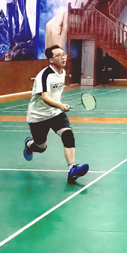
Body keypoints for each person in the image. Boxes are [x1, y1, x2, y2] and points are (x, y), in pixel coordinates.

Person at [23, 45, 89, 183]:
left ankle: (72, 169)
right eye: (58, 55)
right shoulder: (44, 75)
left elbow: (55, 94)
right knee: (41, 147)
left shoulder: (62, 72)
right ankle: (29, 144)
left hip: (55, 113)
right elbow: (45, 97)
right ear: (51, 60)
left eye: (63, 54)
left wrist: (59, 106)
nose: (63, 57)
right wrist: (60, 105)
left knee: (68, 134)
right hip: (38, 116)